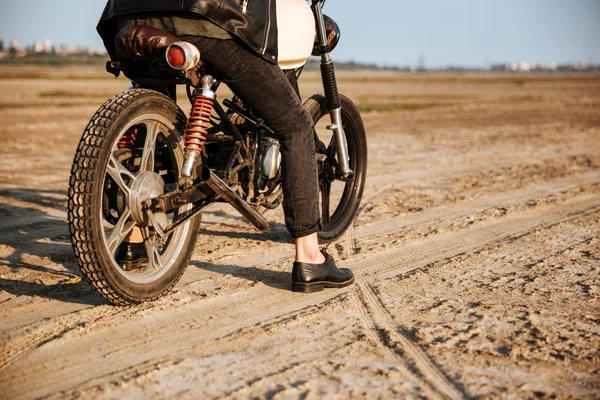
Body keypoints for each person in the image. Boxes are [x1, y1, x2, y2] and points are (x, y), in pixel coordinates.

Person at [97, 0, 354, 292]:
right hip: (204, 16)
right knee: (295, 124)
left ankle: (132, 241)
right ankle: (310, 257)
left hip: (127, 17)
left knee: (152, 121)